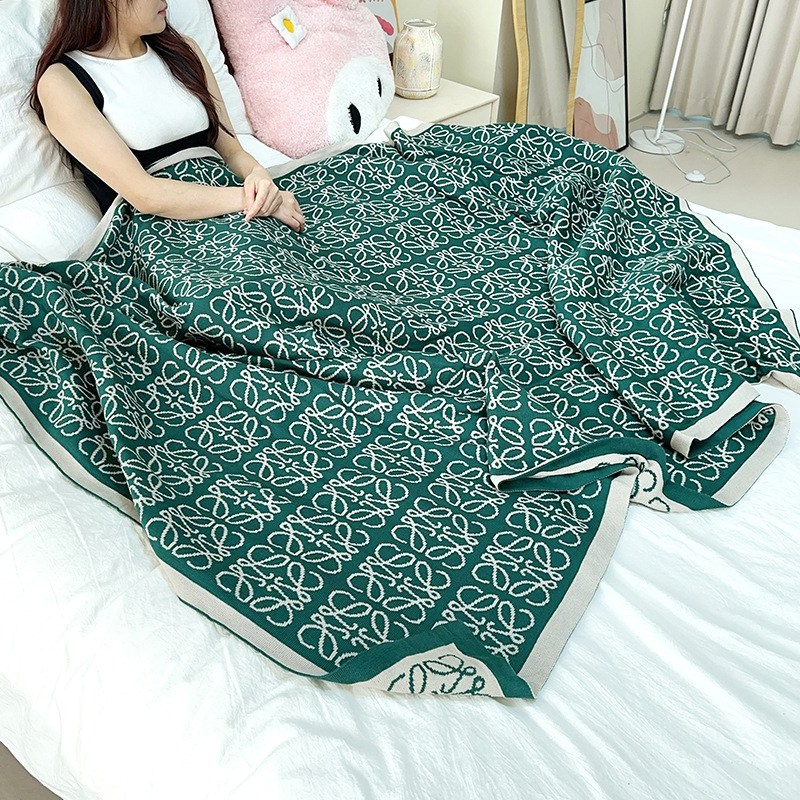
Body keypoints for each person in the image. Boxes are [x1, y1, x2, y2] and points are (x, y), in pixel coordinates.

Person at [30, 0, 305, 232]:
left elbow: (232, 151)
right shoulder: (63, 82)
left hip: (237, 201)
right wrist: (252, 201)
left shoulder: (183, 51)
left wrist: (260, 179)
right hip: (164, 232)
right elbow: (145, 195)